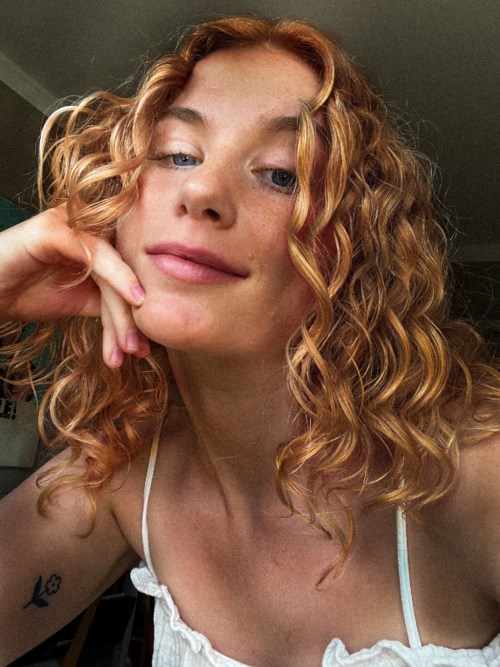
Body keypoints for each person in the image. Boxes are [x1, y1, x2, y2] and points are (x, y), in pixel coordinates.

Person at [0, 15, 499, 667]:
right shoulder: (119, 474)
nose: (202, 189)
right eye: (178, 153)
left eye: (281, 174)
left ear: (351, 249)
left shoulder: (471, 475)